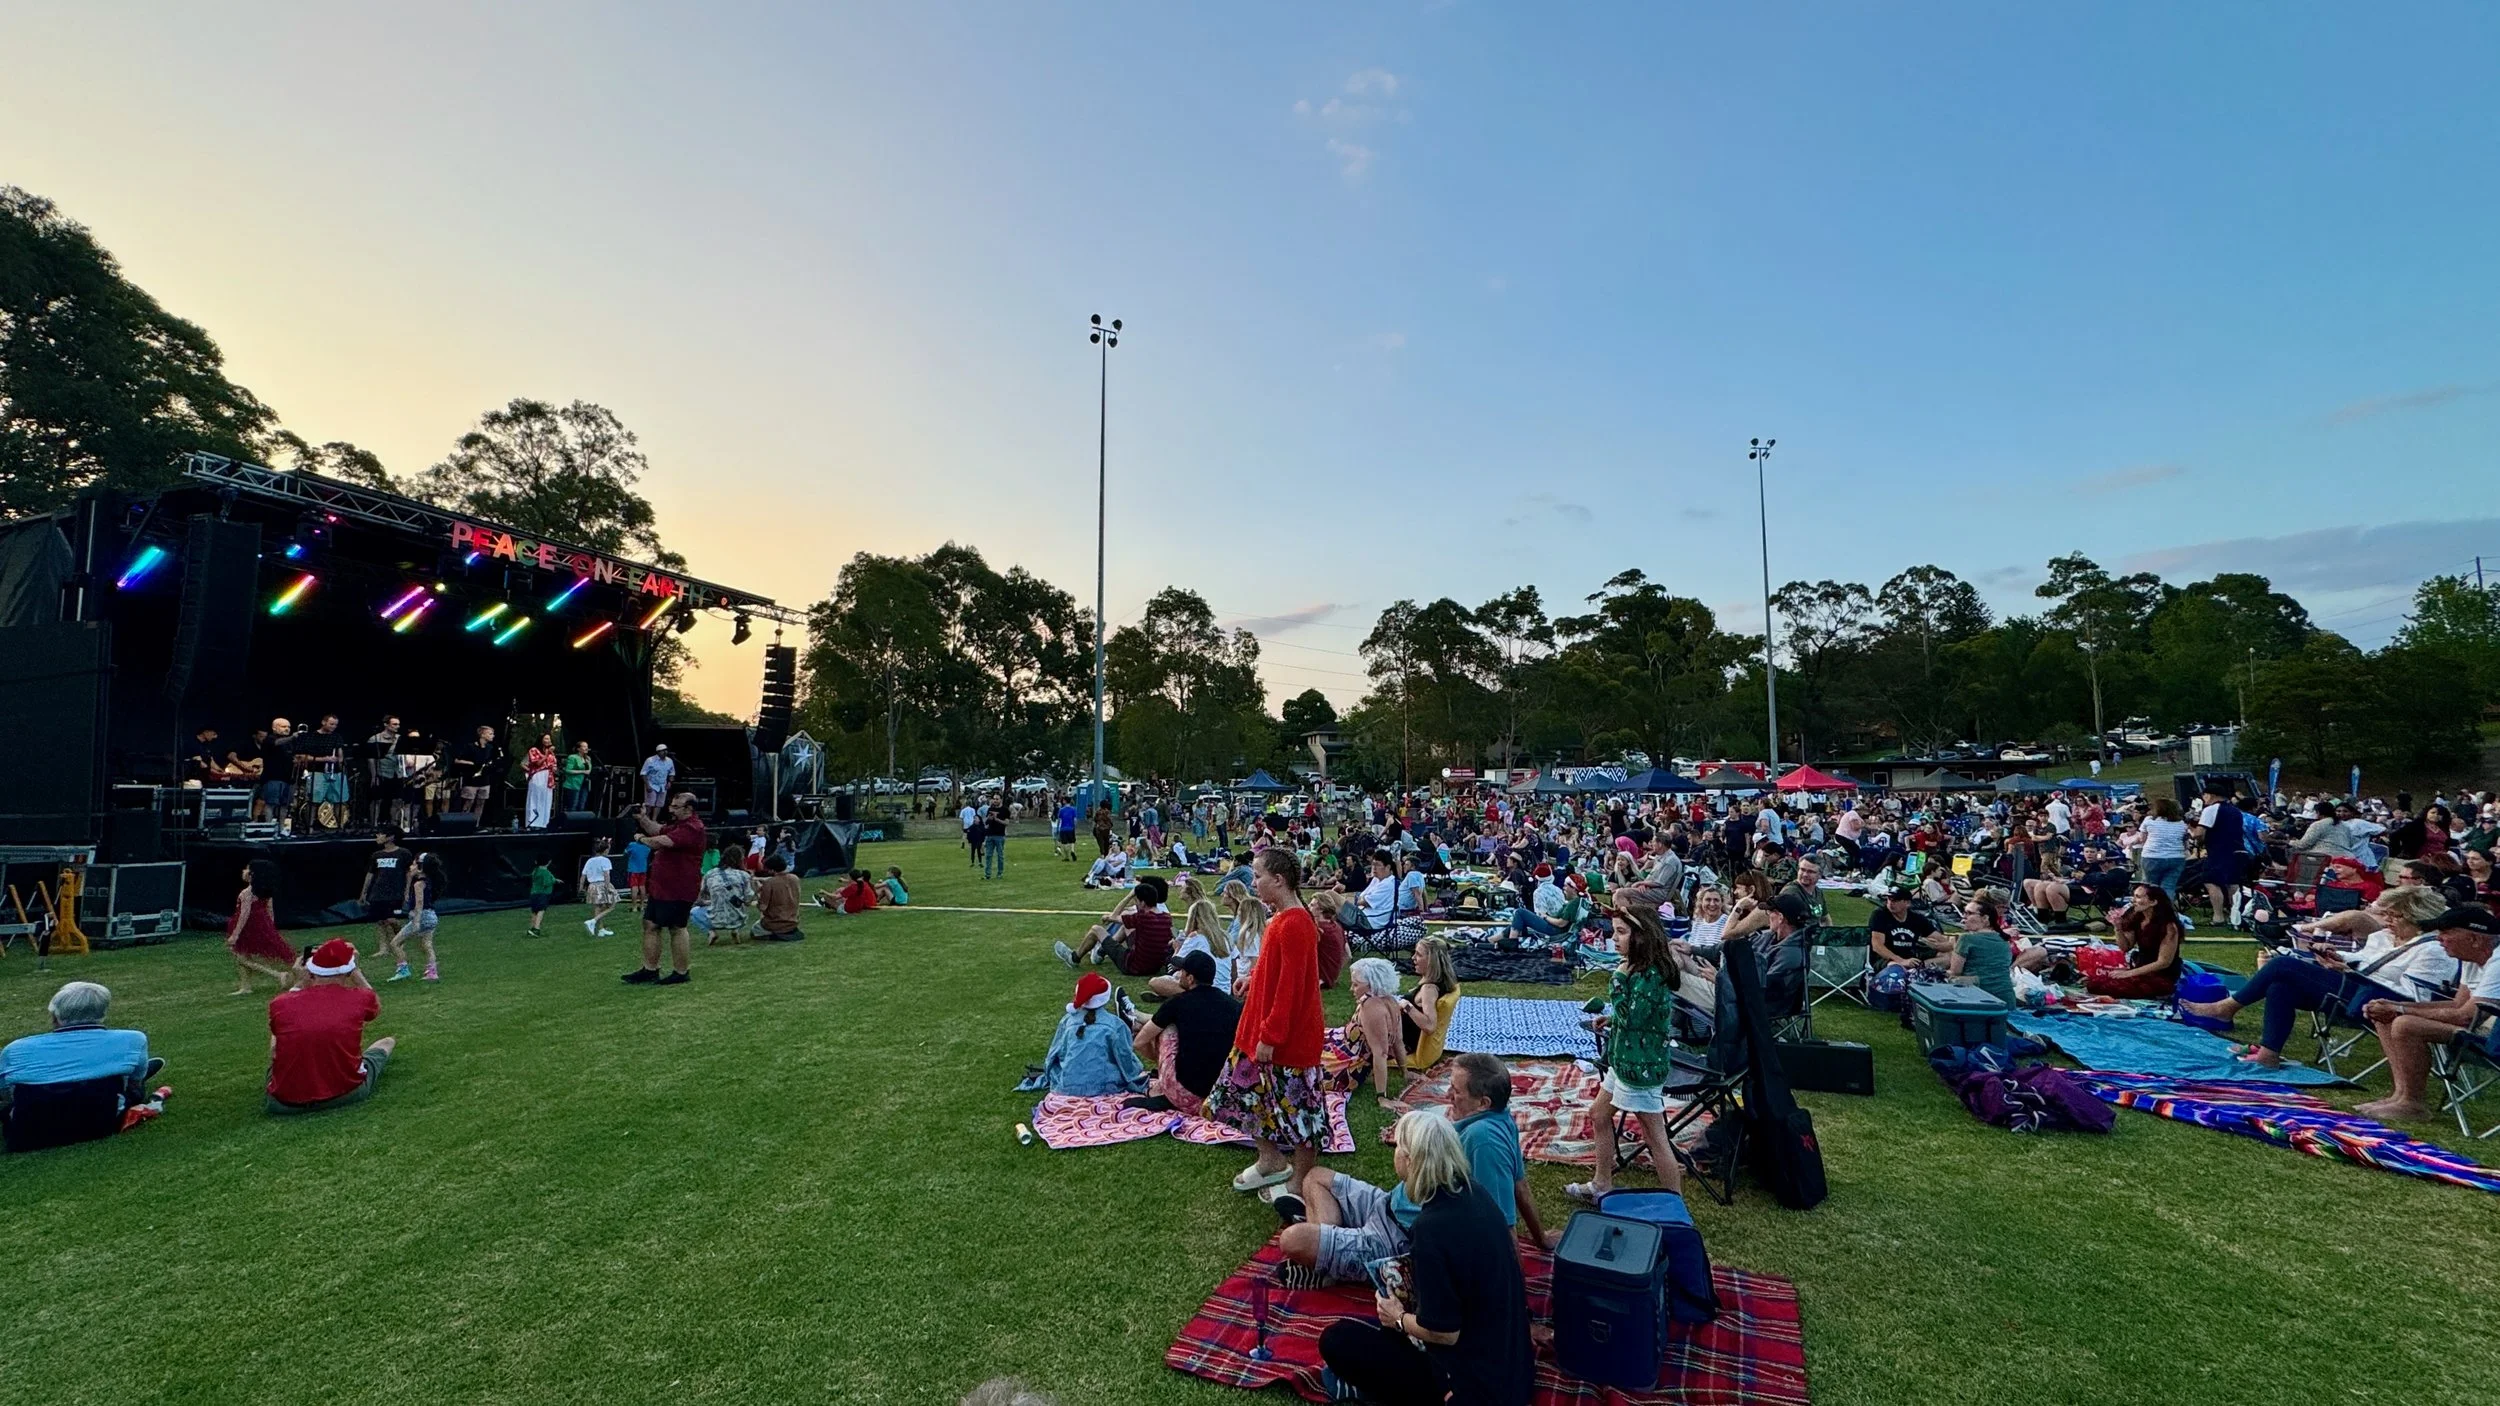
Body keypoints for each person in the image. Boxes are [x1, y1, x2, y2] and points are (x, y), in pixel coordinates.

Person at [1313, 1111, 1534, 1406]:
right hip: (1513, 1368)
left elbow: (1445, 1333)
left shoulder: (1431, 1228)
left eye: (1398, 1148)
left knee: (1337, 1340)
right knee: (1383, 1332)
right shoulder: (1475, 1193)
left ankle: (1371, 1390)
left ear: (1410, 1160)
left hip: (1474, 1386)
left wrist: (1398, 1318)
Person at [2181, 885, 2456, 1067]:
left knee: (2283, 966)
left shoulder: (2432, 950)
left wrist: (2350, 972)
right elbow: (2366, 962)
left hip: (2379, 1003)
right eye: (2388, 915)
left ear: (2417, 917)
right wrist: (2338, 957)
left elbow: (2414, 997)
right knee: (2281, 984)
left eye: (2395, 916)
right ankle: (2268, 1054)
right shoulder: (2384, 937)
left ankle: (2226, 1008)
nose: (2388, 922)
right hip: (2356, 988)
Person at [1204, 847, 1329, 1198]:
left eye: (1258, 876)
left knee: (1300, 1110)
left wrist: (1271, 1036)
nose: (1253, 883)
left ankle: (1301, 1181)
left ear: (1278, 880)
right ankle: (1270, 1159)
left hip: (1285, 1039)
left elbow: (1291, 987)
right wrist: (1253, 979)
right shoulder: (1280, 919)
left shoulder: (1296, 924)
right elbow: (1275, 967)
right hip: (1255, 1029)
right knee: (1245, 1097)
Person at [1569, 906, 1683, 1203]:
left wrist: (1617, 980)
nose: (1613, 938)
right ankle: (1601, 1184)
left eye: (1621, 932)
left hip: (1641, 1068)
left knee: (1654, 1136)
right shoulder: (1636, 968)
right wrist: (1612, 1019)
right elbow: (1635, 1015)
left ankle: (1675, 1205)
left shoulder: (1650, 975)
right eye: (1614, 931)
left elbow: (1633, 1018)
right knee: (1599, 1114)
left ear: (1641, 936)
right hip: (1625, 1062)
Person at [2355, 904, 2500, 1121]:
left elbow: (2466, 1017)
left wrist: (2400, 1010)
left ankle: (2414, 1104)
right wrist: (2393, 1006)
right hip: (2481, 1028)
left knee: (2406, 1024)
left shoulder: (2497, 962)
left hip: (2494, 1038)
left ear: (2475, 939)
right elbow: (2457, 1004)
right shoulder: (2474, 959)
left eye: (2446, 933)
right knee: (2386, 1016)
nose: (2439, 939)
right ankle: (2400, 1095)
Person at [0, 981, 165, 1147]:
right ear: (103, 1012)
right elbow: (136, 1082)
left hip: (28, 1133)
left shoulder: (15, 1049)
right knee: (132, 1086)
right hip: (100, 1125)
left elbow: (4, 1092)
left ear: (55, 1016)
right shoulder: (132, 1039)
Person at [266, 940, 397, 1114]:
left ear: (309, 970)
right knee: (387, 1043)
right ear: (348, 971)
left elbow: (275, 1045)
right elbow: (375, 1007)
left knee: (279, 1037)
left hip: (284, 1103)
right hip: (346, 1092)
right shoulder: (360, 998)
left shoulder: (280, 1003)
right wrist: (357, 973)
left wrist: (299, 983)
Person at [1121, 949, 1241, 1115]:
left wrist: (1159, 1061)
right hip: (1222, 1093)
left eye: (1182, 973)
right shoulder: (1233, 1005)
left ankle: (1165, 1085)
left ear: (1190, 978)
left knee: (1167, 1028)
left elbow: (1139, 1042)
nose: (1178, 976)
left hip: (1188, 1094)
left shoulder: (1178, 1003)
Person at [624, 791, 705, 986]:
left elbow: (662, 841)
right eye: (671, 805)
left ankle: (681, 972)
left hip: (679, 887)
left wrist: (641, 839)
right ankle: (650, 969)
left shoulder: (693, 827)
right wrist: (642, 818)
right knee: (651, 924)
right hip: (662, 887)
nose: (671, 810)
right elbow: (658, 830)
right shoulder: (678, 825)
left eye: (676, 807)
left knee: (677, 927)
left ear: (689, 808)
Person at [1037, 972, 1148, 1096]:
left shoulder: (1067, 1021)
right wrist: (1136, 1071)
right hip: (1105, 1086)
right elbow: (1124, 1057)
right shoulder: (1116, 1024)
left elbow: (1054, 1053)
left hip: (1067, 1085)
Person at [1319, 956, 1409, 1100]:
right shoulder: (1391, 1000)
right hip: (1341, 1042)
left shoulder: (1371, 1007)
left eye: (1356, 985)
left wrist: (1381, 1096)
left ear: (1372, 985)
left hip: (1345, 1061)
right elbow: (1398, 1041)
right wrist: (1404, 1071)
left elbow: (1381, 1053)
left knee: (1299, 1061)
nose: (1351, 989)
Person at [1057, 876, 1174, 975]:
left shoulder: (1141, 918)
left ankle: (1074, 958)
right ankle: (1100, 953)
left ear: (1143, 903)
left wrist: (1129, 896)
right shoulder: (1166, 917)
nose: (1135, 903)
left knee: (1096, 929)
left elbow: (1114, 916)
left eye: (1136, 900)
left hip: (1134, 966)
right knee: (1126, 926)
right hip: (1154, 967)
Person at [2084, 884, 2186, 998]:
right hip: (2139, 969)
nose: (2133, 900)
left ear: (2153, 902)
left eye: (2138, 897)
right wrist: (2118, 927)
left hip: (2161, 975)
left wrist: (2128, 973)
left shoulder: (2168, 926)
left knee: (2107, 987)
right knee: (2094, 983)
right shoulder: (2137, 918)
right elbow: (2125, 947)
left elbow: (2163, 962)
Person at [227, 859, 296, 994]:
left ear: (252, 874)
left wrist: (235, 934)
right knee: (244, 956)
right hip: (260, 925)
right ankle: (245, 986)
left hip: (248, 928)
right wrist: (270, 926)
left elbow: (244, 914)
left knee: (241, 958)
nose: (244, 871)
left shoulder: (247, 893)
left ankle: (278, 974)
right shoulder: (265, 893)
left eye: (247, 869)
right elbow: (270, 910)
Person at [1938, 893, 2018, 1006]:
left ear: (1985, 918)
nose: (1964, 917)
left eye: (1969, 913)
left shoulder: (1966, 939)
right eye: (1964, 913)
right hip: (2007, 1000)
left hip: (1979, 999)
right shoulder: (2003, 940)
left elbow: (1955, 972)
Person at [1400, 937, 1463, 1071]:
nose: (1413, 958)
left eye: (1418, 954)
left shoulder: (1429, 989)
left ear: (1431, 960)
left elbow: (1429, 1026)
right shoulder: (1443, 981)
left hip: (1402, 1043)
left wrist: (1406, 1005)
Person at [380, 852, 443, 983]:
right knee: (427, 945)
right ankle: (432, 972)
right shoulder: (428, 881)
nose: (411, 867)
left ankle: (403, 970)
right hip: (432, 916)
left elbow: (419, 903)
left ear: (420, 867)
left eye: (414, 864)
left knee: (395, 943)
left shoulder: (418, 884)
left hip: (422, 916)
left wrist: (416, 921)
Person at [2195, 781, 2249, 922]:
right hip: (2238, 849)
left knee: (2210, 881)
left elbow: (2199, 833)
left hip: (2219, 851)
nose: (2203, 799)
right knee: (2233, 883)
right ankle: (2235, 915)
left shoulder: (2211, 809)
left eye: (2204, 795)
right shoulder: (2235, 811)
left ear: (2211, 795)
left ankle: (2218, 916)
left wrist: (2197, 840)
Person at [1868, 886, 1938, 966]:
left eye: (1896, 900)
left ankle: (1919, 968)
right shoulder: (1880, 915)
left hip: (1912, 958)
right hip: (1887, 960)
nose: (1891, 903)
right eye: (1889, 899)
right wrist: (1901, 961)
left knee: (1946, 956)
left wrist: (1935, 945)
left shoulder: (1917, 918)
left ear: (1907, 903)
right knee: (1894, 966)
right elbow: (1877, 946)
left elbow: (1942, 940)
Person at [696, 849, 755, 945]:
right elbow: (748, 900)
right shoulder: (743, 875)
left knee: (694, 911)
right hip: (738, 918)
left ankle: (711, 932)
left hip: (715, 919)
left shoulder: (710, 874)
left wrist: (711, 901)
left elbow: (701, 897)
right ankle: (736, 929)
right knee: (741, 905)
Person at [452, 724, 500, 817]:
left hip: (484, 780)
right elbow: (457, 760)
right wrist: (471, 763)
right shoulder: (470, 747)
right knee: (468, 802)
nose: (493, 736)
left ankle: (476, 822)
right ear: (482, 735)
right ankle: (464, 821)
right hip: (471, 780)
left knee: (481, 803)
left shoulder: (490, 748)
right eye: (490, 734)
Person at [753, 854, 804, 941]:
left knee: (755, 930)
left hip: (775, 923)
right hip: (793, 921)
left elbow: (762, 907)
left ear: (772, 870)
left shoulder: (769, 883)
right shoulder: (795, 879)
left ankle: (774, 936)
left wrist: (758, 893)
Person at [580, 836, 620, 936]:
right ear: (605, 850)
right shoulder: (605, 860)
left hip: (592, 885)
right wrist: (607, 887)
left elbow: (583, 875)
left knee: (598, 907)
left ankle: (600, 929)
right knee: (612, 905)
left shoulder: (590, 861)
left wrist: (581, 887)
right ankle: (593, 921)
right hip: (602, 884)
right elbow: (606, 875)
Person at [523, 732, 557, 829]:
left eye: (549, 739)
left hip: (549, 776)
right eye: (546, 738)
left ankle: (543, 822)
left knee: (546, 799)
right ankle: (533, 822)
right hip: (538, 775)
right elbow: (537, 763)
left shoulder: (551, 752)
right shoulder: (534, 750)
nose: (548, 741)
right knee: (536, 798)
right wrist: (546, 754)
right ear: (541, 740)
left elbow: (554, 763)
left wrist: (554, 768)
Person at [561, 739, 594, 815]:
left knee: (582, 805)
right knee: (573, 805)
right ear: (578, 748)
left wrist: (588, 765)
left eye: (587, 746)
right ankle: (570, 821)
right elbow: (568, 770)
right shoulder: (573, 757)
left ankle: (579, 821)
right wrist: (582, 771)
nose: (586, 748)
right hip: (573, 784)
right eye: (584, 746)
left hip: (584, 784)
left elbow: (589, 771)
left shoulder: (588, 758)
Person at [640, 743, 675, 810]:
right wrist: (647, 785)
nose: (665, 752)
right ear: (658, 752)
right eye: (663, 750)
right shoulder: (650, 760)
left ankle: (655, 817)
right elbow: (643, 773)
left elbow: (672, 773)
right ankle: (646, 816)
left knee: (660, 804)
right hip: (652, 784)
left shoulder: (669, 761)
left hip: (663, 785)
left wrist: (669, 782)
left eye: (666, 750)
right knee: (650, 803)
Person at [625, 833, 652, 908]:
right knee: (642, 886)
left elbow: (625, 852)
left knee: (634, 887)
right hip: (643, 869)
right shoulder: (647, 847)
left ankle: (634, 906)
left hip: (633, 870)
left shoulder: (632, 845)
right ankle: (642, 905)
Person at [982, 807, 1009, 880]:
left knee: (1000, 855)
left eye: (997, 800)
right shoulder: (990, 809)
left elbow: (1007, 823)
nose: (995, 801)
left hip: (1000, 836)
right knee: (988, 856)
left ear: (1000, 801)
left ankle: (1000, 873)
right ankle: (987, 875)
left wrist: (997, 819)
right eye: (994, 800)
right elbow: (986, 822)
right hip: (990, 835)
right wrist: (989, 819)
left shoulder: (1005, 810)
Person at [1054, 798, 1079, 862]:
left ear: (1065, 801)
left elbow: (1059, 820)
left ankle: (1067, 856)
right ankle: (1072, 850)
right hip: (1071, 828)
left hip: (1063, 828)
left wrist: (1057, 828)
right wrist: (1074, 826)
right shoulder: (1073, 809)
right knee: (1072, 841)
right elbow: (1075, 819)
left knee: (1064, 843)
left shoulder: (1061, 810)